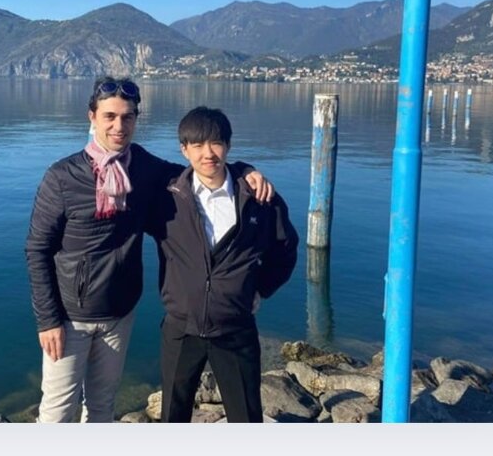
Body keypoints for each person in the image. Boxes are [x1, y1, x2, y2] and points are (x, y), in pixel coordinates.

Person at [25, 77, 273, 423]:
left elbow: (198, 170)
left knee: (102, 405)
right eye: (110, 116)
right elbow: (37, 249)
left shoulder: (142, 167)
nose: (119, 126)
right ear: (92, 117)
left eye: (127, 117)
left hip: (119, 312)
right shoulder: (62, 177)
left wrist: (244, 171)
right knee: (58, 411)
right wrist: (48, 320)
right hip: (70, 317)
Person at [148, 106, 299, 423]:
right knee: (172, 416)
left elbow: (285, 248)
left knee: (245, 417)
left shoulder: (259, 198)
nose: (208, 153)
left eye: (216, 143)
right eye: (197, 145)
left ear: (228, 145)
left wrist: (260, 289)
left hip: (235, 328)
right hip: (181, 327)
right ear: (184, 149)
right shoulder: (165, 197)